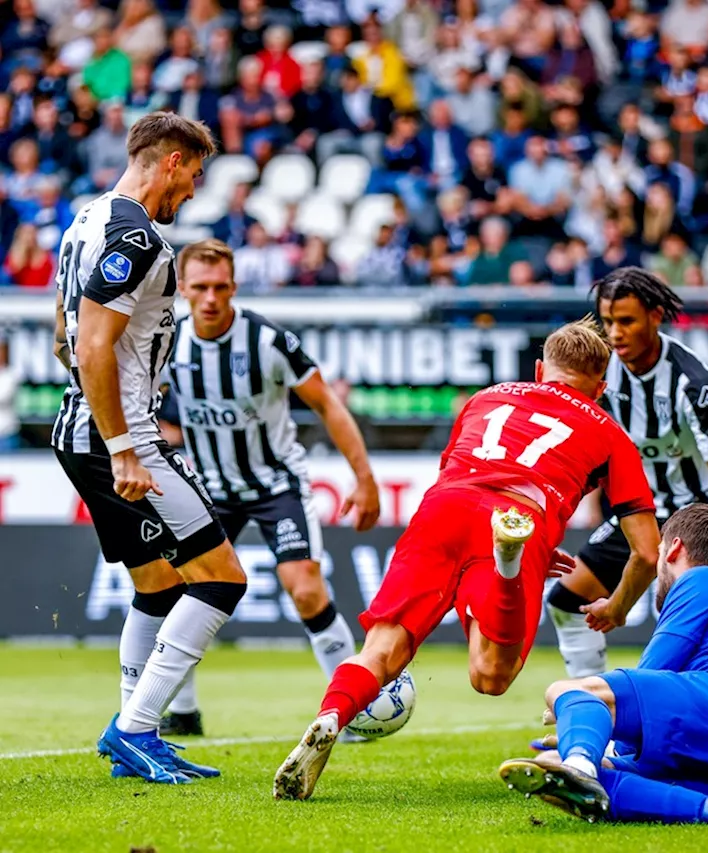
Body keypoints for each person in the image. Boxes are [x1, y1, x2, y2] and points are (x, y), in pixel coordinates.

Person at [272, 319, 662, 801]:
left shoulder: (486, 397)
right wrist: (618, 606)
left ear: (541, 369)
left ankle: (331, 716)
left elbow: (463, 474)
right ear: (600, 388)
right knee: (490, 676)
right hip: (523, 516)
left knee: (381, 649)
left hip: (444, 509)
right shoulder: (610, 432)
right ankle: (507, 565)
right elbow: (647, 551)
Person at [50, 112, 239, 784]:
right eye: (193, 174)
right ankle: (132, 730)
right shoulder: (135, 233)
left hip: (84, 427)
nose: (191, 191)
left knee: (156, 582)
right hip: (117, 438)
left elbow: (63, 333)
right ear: (173, 160)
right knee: (221, 577)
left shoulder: (86, 218)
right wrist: (126, 446)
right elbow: (95, 344)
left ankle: (141, 729)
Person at [154, 239, 381, 739]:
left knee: (304, 588)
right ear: (183, 290)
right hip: (210, 487)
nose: (211, 298)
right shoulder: (168, 341)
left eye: (220, 287)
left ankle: (352, 711)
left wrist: (364, 479)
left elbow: (328, 405)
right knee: (181, 591)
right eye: (200, 288)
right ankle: (184, 712)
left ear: (234, 287)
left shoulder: (267, 341)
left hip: (276, 483)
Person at [499, 503, 708, 828]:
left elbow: (649, 672)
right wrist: (594, 735)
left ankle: (581, 767)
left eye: (660, 550)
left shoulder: (700, 579)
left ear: (674, 548)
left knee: (565, 690)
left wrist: (592, 717)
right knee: (549, 765)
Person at [545, 268, 708, 681]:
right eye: (607, 322)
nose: (615, 333)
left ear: (655, 316)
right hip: (642, 510)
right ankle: (588, 709)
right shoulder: (603, 371)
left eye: (626, 321)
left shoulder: (688, 379)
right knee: (567, 601)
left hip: (699, 513)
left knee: (683, 616)